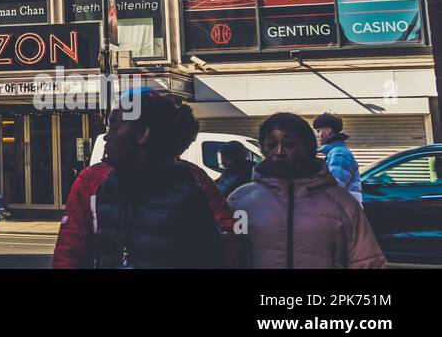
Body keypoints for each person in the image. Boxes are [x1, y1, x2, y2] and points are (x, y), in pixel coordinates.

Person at [52, 93, 228, 269]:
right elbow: (70, 251)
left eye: (114, 127)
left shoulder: (189, 194)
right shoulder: (104, 187)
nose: (107, 137)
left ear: (143, 134)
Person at [229, 113, 385, 269]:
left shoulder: (344, 204)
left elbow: (368, 263)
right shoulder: (240, 201)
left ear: (308, 148)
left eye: (289, 145)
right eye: (271, 145)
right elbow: (230, 256)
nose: (279, 152)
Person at [313, 113, 363, 204]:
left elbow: (335, 186)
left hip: (344, 212)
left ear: (328, 131)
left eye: (318, 131)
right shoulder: (335, 152)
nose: (317, 135)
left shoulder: (339, 154)